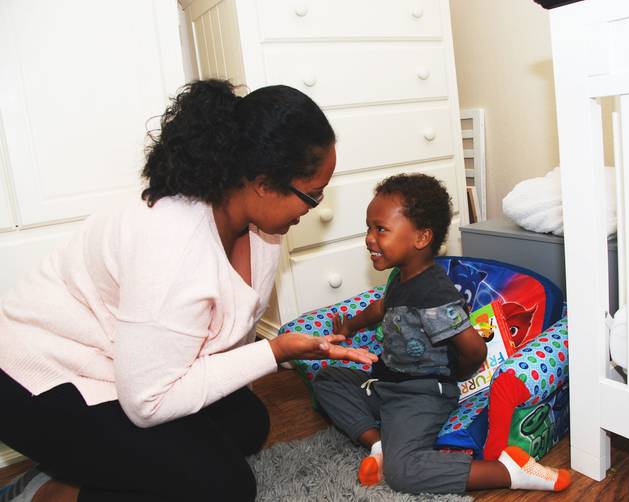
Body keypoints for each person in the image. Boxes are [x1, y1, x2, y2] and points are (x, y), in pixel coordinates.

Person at [0, 79, 377, 502]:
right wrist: (276, 352)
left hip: (121, 364)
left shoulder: (260, 231)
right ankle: (48, 493)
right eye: (310, 196)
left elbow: (212, 347)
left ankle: (84, 464)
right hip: (37, 376)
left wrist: (275, 351)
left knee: (247, 422)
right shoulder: (173, 244)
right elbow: (148, 403)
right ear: (263, 182)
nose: (312, 210)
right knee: (223, 487)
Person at [312, 173, 571, 495]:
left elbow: (474, 349)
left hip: (420, 394)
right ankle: (379, 446)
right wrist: (350, 326)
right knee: (327, 379)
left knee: (403, 473)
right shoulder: (401, 277)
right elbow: (381, 308)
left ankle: (508, 471)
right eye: (369, 227)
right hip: (385, 383)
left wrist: (453, 376)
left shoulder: (435, 296)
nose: (369, 238)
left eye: (380, 229)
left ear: (421, 238)